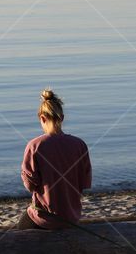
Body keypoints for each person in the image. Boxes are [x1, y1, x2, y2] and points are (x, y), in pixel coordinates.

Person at [18, 89, 92, 229]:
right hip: (72, 217)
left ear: (42, 118)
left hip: (44, 218)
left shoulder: (35, 146)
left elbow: (30, 185)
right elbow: (84, 183)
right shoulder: (80, 145)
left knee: (17, 236)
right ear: (62, 118)